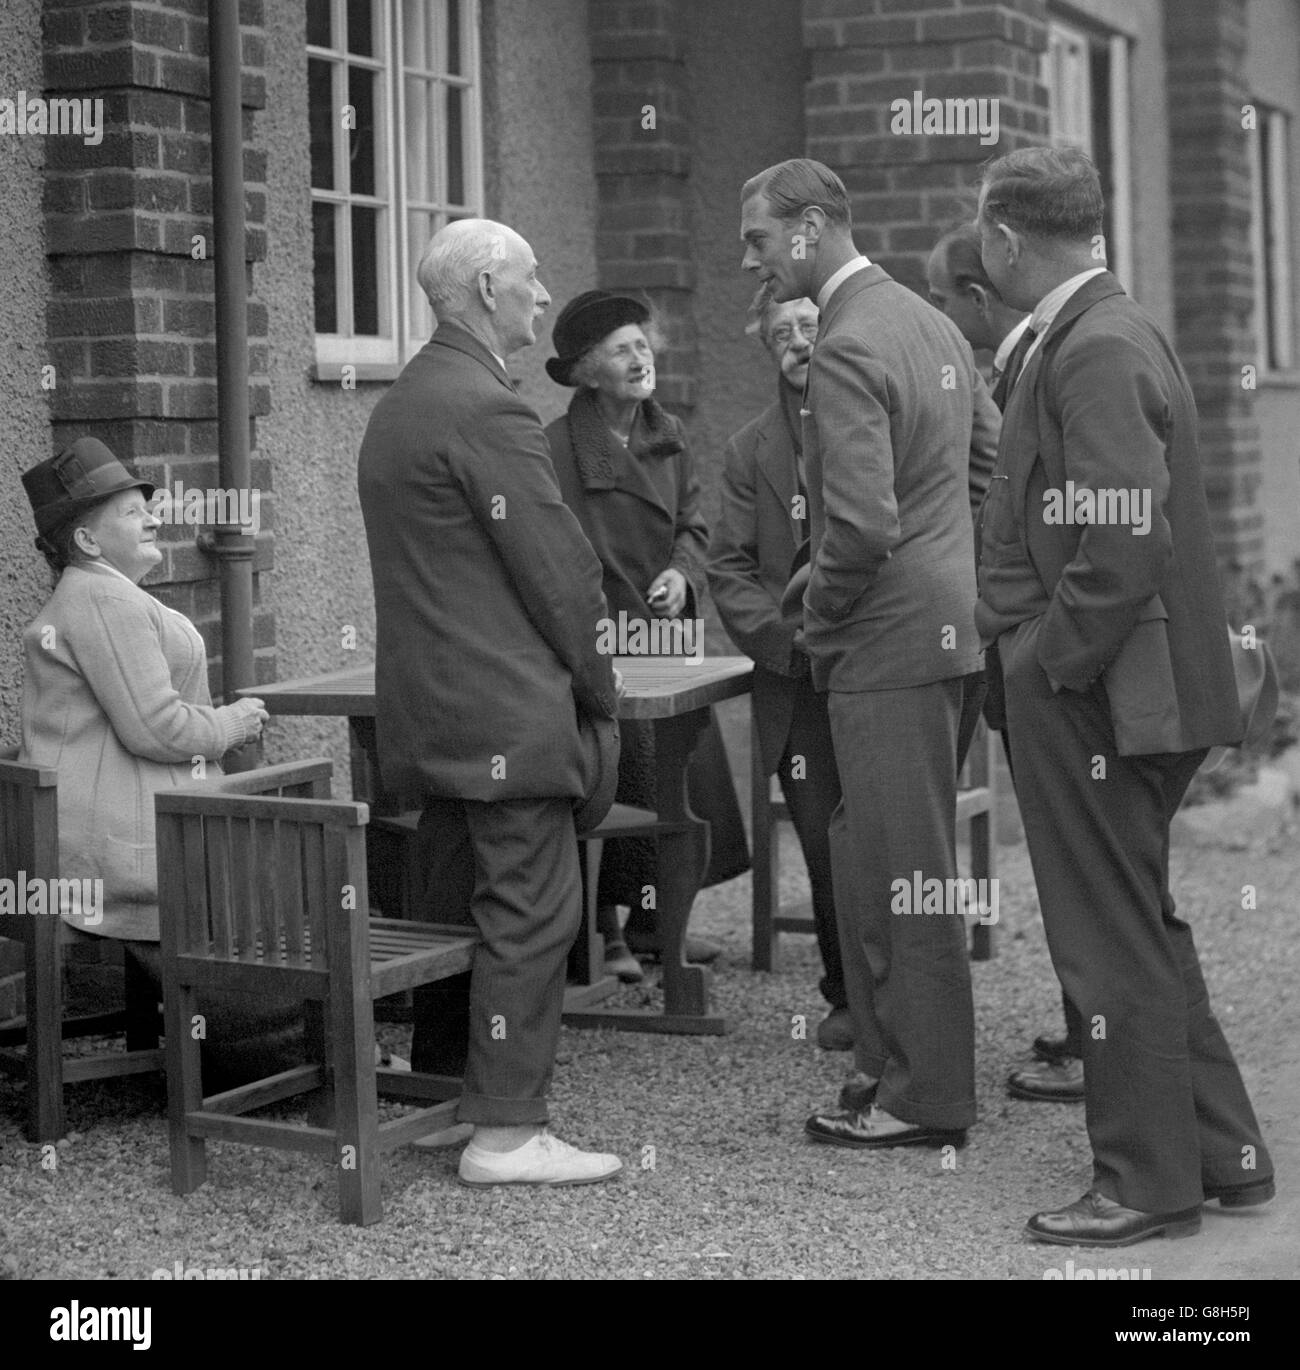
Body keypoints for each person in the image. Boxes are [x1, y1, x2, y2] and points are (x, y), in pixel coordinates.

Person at [975, 145, 1273, 1245]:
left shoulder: (1091, 343)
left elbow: (1120, 536)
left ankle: (1145, 1184)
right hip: (1119, 679)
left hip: (1097, 686)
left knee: (1105, 940)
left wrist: (1045, 658)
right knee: (1139, 921)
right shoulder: (1105, 325)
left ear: (1007, 238)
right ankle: (1224, 1152)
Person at [357, 219, 624, 1187]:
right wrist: (603, 693)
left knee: (447, 906)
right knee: (528, 915)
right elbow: (562, 577)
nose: (544, 296)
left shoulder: (402, 404)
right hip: (506, 718)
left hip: (429, 715)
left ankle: (445, 1098)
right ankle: (506, 1129)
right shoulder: (490, 411)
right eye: (530, 277)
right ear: (482, 286)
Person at [740, 158, 983, 1149]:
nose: (748, 259)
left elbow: (864, 522)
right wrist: (958, 570)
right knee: (872, 856)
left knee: (901, 872)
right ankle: (888, 1065)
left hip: (885, 642)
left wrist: (816, 606)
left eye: (758, 238)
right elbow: (992, 466)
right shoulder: (928, 320)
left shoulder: (845, 339)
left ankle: (922, 1099)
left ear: (808, 228)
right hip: (943, 632)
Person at [16, 439, 300, 1081]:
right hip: (120, 847)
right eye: (129, 511)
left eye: (148, 505)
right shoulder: (105, 600)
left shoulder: (103, 595)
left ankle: (278, 1052)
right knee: (262, 883)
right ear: (87, 541)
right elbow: (155, 726)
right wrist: (232, 722)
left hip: (122, 823)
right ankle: (282, 1060)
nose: (151, 517)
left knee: (256, 871)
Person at [543, 289, 750, 983]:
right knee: (619, 780)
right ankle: (610, 930)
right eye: (620, 351)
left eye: (642, 345)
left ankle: (668, 925)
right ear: (585, 372)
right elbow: (554, 553)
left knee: (684, 775)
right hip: (606, 641)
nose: (640, 359)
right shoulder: (554, 451)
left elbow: (696, 524)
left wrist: (683, 573)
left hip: (667, 636)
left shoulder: (669, 437)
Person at [928, 223, 1084, 1106]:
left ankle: (1100, 1039)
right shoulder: (1008, 368)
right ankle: (1090, 1026)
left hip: (1038, 652)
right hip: (1022, 646)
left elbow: (1015, 506)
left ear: (978, 296)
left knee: (1083, 863)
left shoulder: (1027, 369)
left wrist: (1029, 653)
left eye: (948, 301)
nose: (943, 318)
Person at [707, 293, 851, 1051]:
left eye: (811, 329)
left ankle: (909, 995)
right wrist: (781, 642)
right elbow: (727, 566)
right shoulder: (748, 450)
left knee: (887, 834)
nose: (799, 343)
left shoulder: (872, 427)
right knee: (825, 836)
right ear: (769, 350)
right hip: (795, 679)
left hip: (875, 663)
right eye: (783, 335)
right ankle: (847, 994)